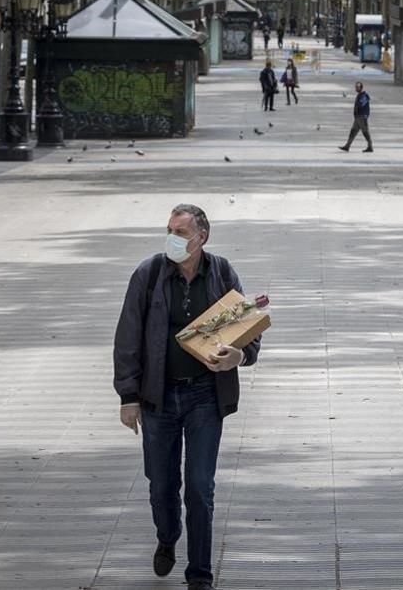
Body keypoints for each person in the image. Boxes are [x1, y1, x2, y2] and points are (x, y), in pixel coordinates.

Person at [114, 204, 262, 590]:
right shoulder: (148, 275)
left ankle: (200, 574)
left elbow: (248, 328)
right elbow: (128, 336)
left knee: (200, 486)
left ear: (201, 238)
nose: (173, 239)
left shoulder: (222, 272)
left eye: (180, 232)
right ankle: (167, 536)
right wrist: (128, 395)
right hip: (158, 399)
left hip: (204, 397)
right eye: (169, 230)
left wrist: (239, 356)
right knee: (161, 484)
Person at [339, 81, 372, 153]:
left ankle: (370, 146)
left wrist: (358, 105)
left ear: (361, 87)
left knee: (365, 132)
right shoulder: (359, 95)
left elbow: (361, 104)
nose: (356, 88)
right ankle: (347, 146)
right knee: (353, 132)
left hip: (362, 117)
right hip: (357, 117)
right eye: (356, 87)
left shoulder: (364, 95)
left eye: (358, 87)